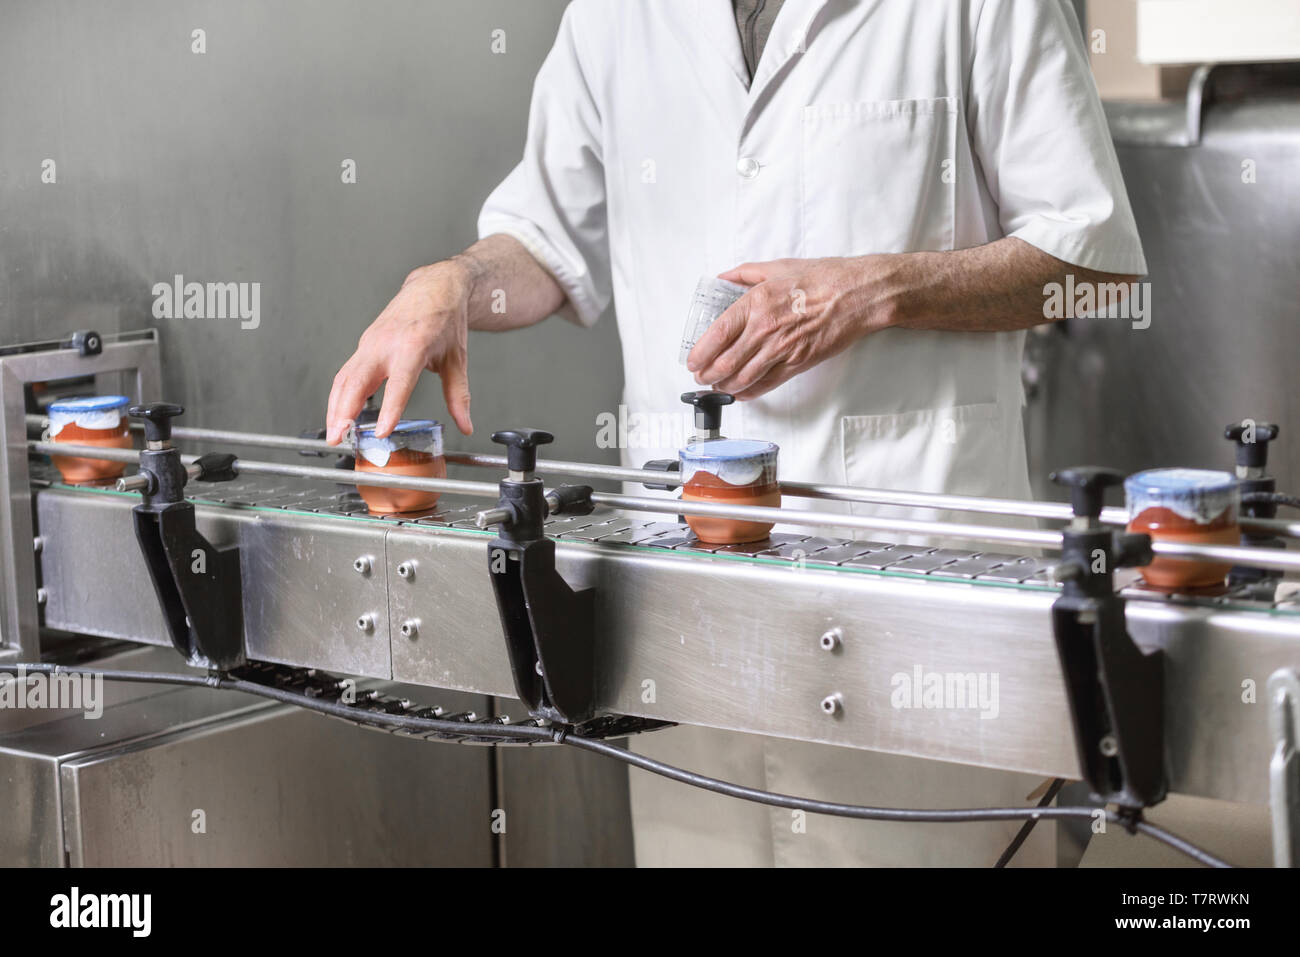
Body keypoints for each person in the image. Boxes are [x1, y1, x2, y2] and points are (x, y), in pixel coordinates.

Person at [326, 0, 1146, 866]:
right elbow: (543, 243)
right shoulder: (615, 15)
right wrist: (453, 282)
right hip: (686, 625)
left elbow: (1096, 269)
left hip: (912, 625)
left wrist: (875, 291)